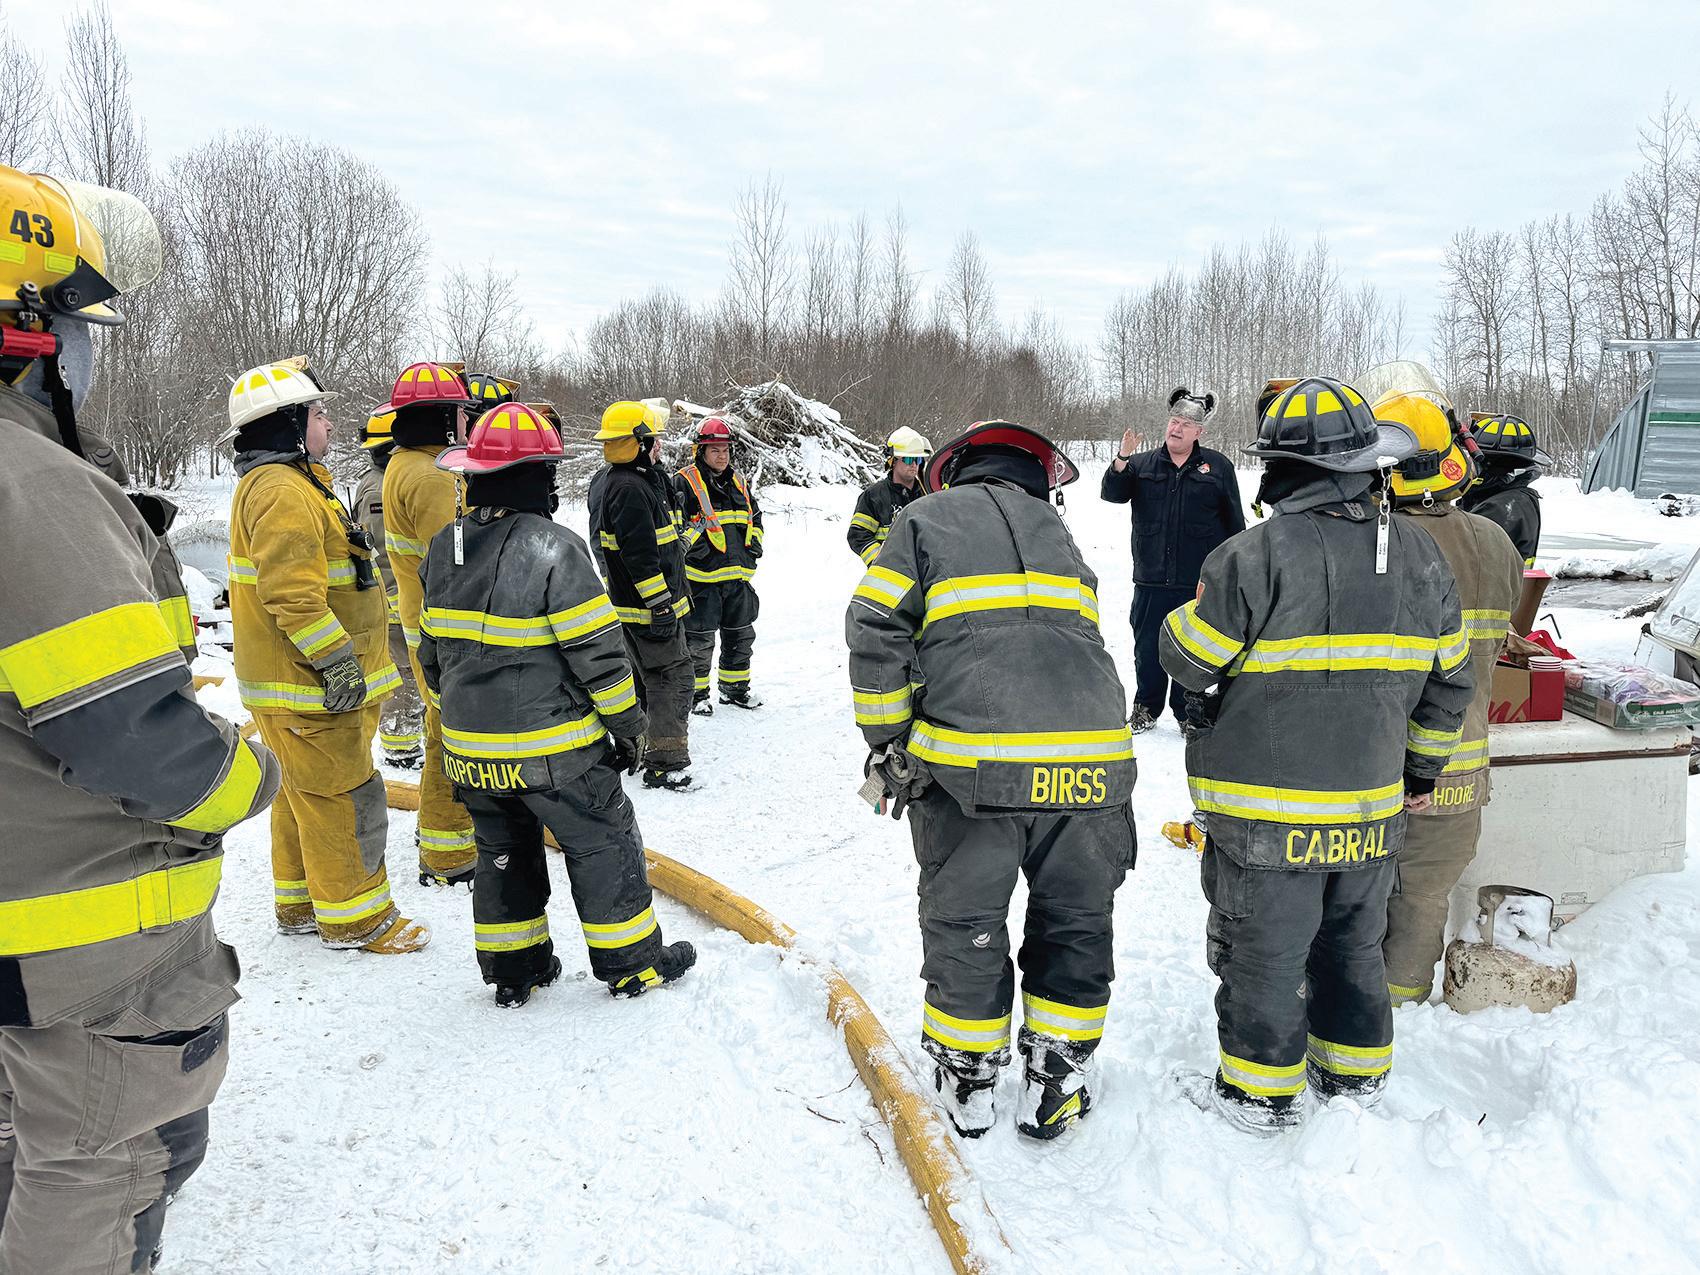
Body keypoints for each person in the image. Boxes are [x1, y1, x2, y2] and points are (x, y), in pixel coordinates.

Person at [0, 164, 280, 1273]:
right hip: (77, 949)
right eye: (79, 322)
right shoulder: (28, 483)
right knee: (106, 1163)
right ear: (29, 324)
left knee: (22, 1143)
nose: (87, 349)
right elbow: (124, 727)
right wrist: (241, 781)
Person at [1158, 375, 1473, 1135]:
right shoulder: (1423, 557)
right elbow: (1452, 681)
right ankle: (1352, 1079)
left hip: (1268, 819)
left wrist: (1178, 620)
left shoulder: (1250, 555)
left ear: (1280, 468)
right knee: (1354, 946)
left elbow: (1191, 661)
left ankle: (1258, 1096)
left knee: (1266, 955)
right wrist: (1420, 771)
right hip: (1371, 812)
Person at [846, 420, 1137, 1141]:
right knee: (1075, 915)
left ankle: (969, 1077)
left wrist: (888, 740)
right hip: (1092, 766)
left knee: (967, 917)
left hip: (975, 770)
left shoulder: (922, 518)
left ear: (955, 471)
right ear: (1039, 480)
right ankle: (1057, 1076)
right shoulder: (1060, 535)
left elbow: (874, 622)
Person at [419, 402, 698, 1006]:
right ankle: (633, 964)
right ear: (535, 476)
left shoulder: (445, 547)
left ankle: (514, 971)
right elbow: (600, 656)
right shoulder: (555, 549)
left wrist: (463, 719)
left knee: (503, 851)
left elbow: (432, 652)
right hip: (553, 753)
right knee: (603, 838)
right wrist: (629, 728)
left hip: (468, 754)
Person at [225, 357, 426, 955]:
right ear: (288, 423)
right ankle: (360, 919)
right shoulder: (282, 491)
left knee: (301, 796)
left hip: (289, 684)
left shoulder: (287, 483)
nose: (330, 423)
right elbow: (292, 594)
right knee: (343, 796)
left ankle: (302, 906)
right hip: (309, 686)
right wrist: (337, 662)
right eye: (317, 413)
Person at [1359, 364, 1524, 1005]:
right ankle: (1403, 1002)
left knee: (1359, 889)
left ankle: (1357, 1005)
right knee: (1424, 894)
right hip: (1461, 762)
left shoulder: (1376, 544)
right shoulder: (1495, 542)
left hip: (1380, 762)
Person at [380, 361, 480, 886]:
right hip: (444, 631)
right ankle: (449, 855)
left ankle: (437, 834)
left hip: (422, 622)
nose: (466, 422)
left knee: (440, 729)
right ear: (441, 417)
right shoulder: (431, 477)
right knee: (452, 738)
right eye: (459, 412)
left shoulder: (403, 464)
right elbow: (457, 565)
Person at [1101, 387, 1245, 732]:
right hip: (1150, 577)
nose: (1176, 428)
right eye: (1173, 421)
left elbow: (1234, 525)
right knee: (1147, 648)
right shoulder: (1142, 464)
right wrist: (1122, 458)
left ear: (1199, 432)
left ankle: (1187, 711)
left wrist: (1230, 572)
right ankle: (1146, 707)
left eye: (1185, 424)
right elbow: (1112, 493)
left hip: (1196, 582)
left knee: (1191, 649)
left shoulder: (1218, 467)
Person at [588, 399, 695, 791]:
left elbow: (654, 544)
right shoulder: (629, 487)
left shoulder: (632, 480)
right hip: (650, 611)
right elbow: (640, 557)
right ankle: (665, 763)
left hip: (642, 609)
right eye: (655, 440)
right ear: (639, 442)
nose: (660, 446)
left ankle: (642, 746)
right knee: (671, 678)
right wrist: (660, 604)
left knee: (647, 678)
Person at [675, 415, 765, 714]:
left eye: (726, 450)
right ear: (700, 451)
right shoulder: (684, 482)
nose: (722, 456)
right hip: (701, 579)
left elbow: (755, 517)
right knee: (699, 642)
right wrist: (697, 549)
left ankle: (734, 690)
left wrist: (755, 544)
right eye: (715, 450)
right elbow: (676, 527)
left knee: (741, 635)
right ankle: (696, 696)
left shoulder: (739, 481)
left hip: (737, 578)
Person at [350, 409, 424, 768]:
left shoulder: (383, 480)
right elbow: (380, 551)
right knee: (403, 676)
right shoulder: (379, 489)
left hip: (397, 598)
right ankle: (401, 747)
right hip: (393, 601)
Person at [1462, 412, 1548, 567]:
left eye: (1471, 459)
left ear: (1487, 464)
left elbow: (1456, 557)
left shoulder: (1499, 509)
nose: (1468, 466)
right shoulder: (1513, 497)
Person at [848, 426, 931, 565]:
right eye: (908, 459)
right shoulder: (874, 495)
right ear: (893, 461)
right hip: (889, 572)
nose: (914, 464)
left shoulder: (927, 494)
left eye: (918, 459)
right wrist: (881, 561)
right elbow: (857, 535)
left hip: (923, 571)